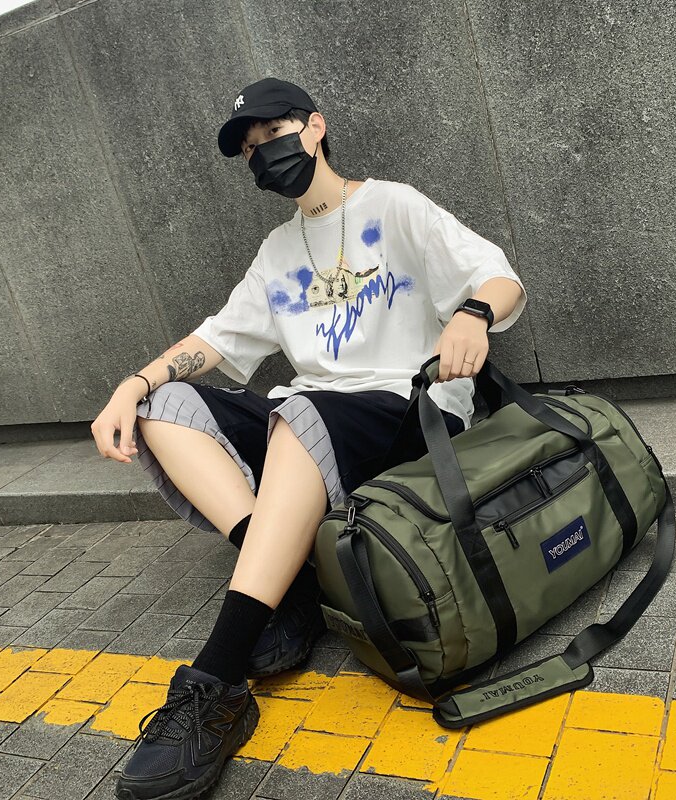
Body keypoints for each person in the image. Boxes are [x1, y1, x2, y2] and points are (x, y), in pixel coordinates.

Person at [91, 77, 527, 800]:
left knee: (299, 412)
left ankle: (217, 684)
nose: (264, 153)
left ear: (316, 127)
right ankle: (290, 582)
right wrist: (131, 385)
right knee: (163, 405)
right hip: (313, 420)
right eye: (250, 149)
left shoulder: (393, 205)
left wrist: (473, 314)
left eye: (274, 133)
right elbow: (215, 341)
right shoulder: (278, 250)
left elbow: (499, 276)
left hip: (407, 410)